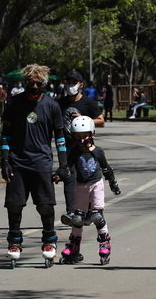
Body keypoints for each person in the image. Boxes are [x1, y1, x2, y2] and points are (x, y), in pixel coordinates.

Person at [0, 64, 70, 267]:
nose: (34, 86)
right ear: (25, 83)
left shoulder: (52, 106)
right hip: (17, 162)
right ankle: (14, 242)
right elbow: (5, 134)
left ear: (44, 84)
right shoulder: (14, 103)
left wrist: (63, 165)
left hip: (41, 163)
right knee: (14, 205)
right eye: (30, 83)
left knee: (45, 206)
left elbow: (60, 139)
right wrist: (4, 161)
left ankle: (49, 241)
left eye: (38, 83)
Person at [56, 116, 120, 265]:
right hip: (81, 186)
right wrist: (59, 175)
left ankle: (104, 242)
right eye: (78, 136)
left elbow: (106, 168)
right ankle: (74, 247)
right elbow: (67, 168)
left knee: (97, 216)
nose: (81, 139)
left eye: (84, 135)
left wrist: (113, 183)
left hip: (96, 184)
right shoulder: (74, 152)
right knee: (78, 218)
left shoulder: (97, 151)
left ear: (91, 134)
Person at [57, 71, 105, 226]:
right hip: (66, 147)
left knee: (87, 178)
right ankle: (72, 212)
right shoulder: (60, 103)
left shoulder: (88, 103)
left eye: (73, 82)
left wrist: (83, 119)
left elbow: (101, 121)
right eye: (68, 82)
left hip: (85, 148)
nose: (70, 85)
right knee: (68, 177)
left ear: (81, 84)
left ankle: (89, 211)